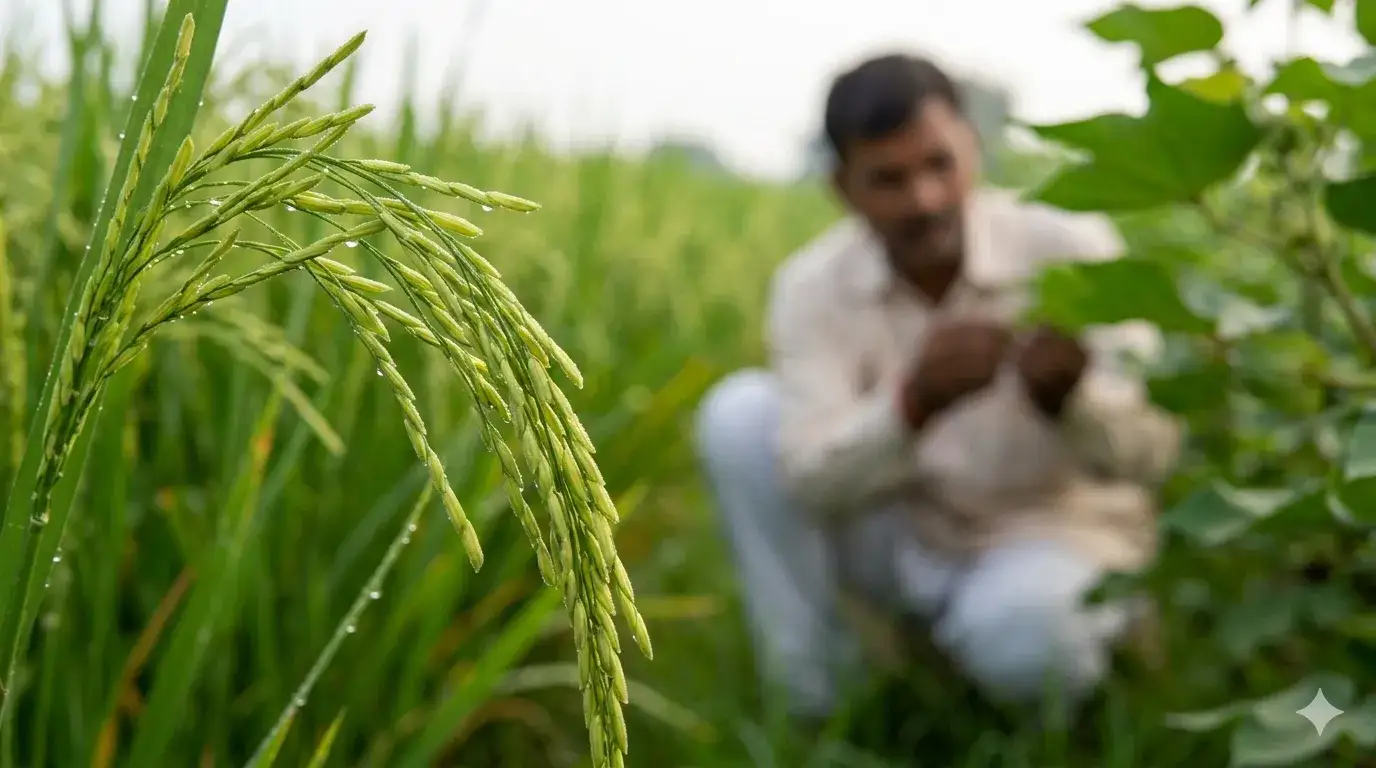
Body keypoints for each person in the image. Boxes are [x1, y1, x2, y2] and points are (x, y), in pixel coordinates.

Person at [691, 53, 1182, 723]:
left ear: (973, 151)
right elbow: (805, 477)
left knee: (1025, 639)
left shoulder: (1067, 244)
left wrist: (1073, 402)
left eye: (939, 165)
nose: (923, 199)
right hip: (916, 533)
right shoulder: (813, 288)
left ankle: (1036, 671)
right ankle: (818, 701)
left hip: (1058, 534)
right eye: (889, 180)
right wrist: (910, 404)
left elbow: (1158, 454)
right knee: (740, 416)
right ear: (842, 187)